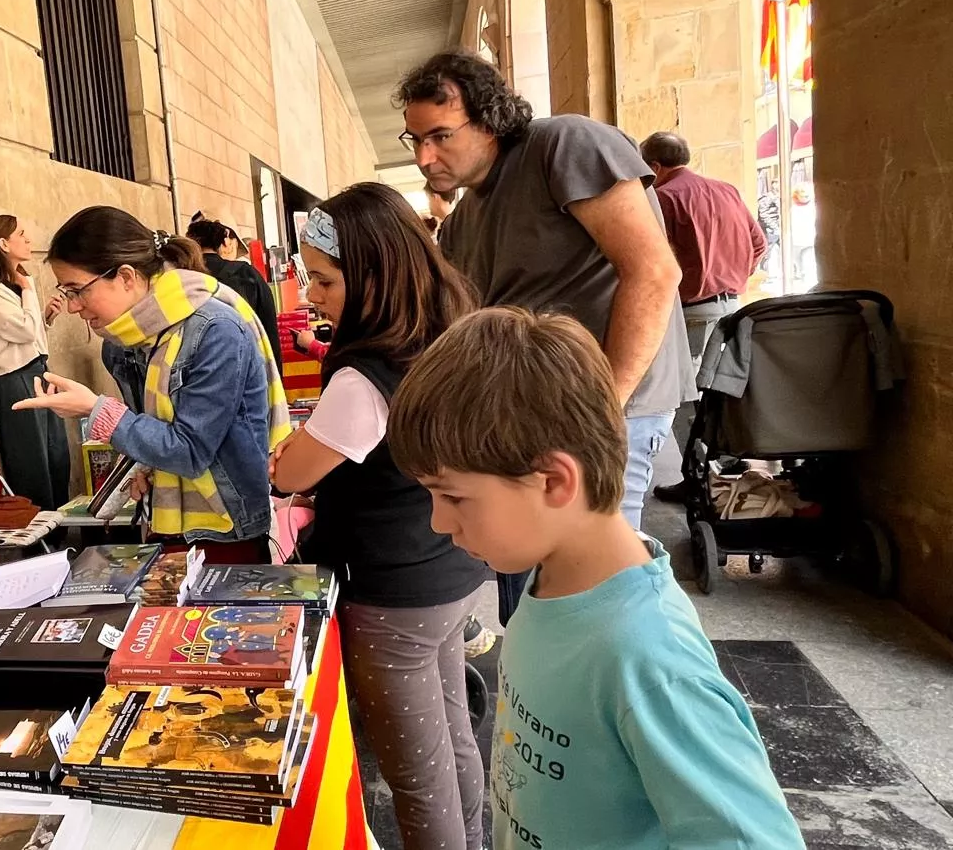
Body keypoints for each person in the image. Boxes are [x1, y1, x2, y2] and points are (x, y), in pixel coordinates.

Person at [387, 307, 805, 850]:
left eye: (453, 496)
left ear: (555, 481)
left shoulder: (651, 660)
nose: (438, 522)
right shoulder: (549, 579)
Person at [396, 50, 693, 622]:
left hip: (612, 406)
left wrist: (602, 411)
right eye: (414, 141)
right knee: (533, 587)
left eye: (439, 136)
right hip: (533, 418)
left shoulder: (566, 145)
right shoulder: (461, 222)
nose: (424, 157)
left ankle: (632, 697)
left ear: (489, 118)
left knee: (602, 591)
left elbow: (654, 272)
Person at [267, 183, 489, 850]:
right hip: (447, 567)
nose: (312, 294)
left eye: (327, 280)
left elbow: (291, 472)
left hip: (390, 593)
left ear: (373, 274)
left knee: (417, 774)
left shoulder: (364, 377)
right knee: (453, 741)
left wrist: (284, 459)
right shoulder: (446, 328)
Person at [14, 206, 290, 562]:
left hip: (225, 528)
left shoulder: (214, 330)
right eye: (66, 292)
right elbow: (156, 429)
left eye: (77, 290)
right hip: (167, 521)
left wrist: (94, 409)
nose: (73, 307)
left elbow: (190, 450)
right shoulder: (127, 342)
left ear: (127, 276)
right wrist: (145, 466)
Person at [638, 133, 767, 503]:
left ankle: (695, 478)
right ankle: (729, 463)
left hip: (691, 312)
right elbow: (759, 242)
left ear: (654, 167)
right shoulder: (726, 190)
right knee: (726, 389)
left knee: (683, 395)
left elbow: (650, 259)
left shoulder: (662, 198)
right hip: (734, 306)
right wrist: (735, 274)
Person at [0, 214, 72, 510]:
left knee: (57, 454)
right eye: (21, 234)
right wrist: (28, 291)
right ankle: (42, 538)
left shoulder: (17, 280)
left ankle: (61, 526)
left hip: (38, 370)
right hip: (14, 378)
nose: (28, 239)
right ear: (3, 243)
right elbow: (22, 330)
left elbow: (30, 333)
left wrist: (45, 316)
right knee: (31, 461)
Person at [187, 217, 283, 373]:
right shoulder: (245, 273)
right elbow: (269, 329)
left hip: (196, 373)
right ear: (223, 242)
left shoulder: (181, 278)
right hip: (247, 368)